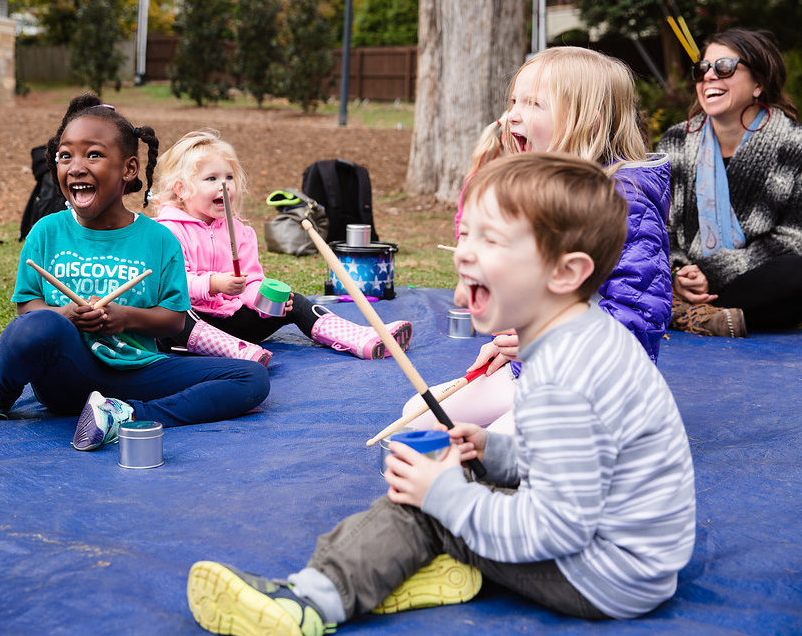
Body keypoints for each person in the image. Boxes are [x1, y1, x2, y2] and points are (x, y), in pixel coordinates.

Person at [184, 153, 697, 634]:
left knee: (421, 505)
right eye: (466, 234)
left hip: (604, 576)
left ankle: (308, 603)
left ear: (566, 273)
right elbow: (578, 459)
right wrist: (493, 450)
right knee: (456, 467)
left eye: (492, 241)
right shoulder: (574, 339)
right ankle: (415, 566)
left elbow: (555, 529)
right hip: (621, 549)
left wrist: (443, 497)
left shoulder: (568, 376)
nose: (465, 253)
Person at [0, 94, 270, 451]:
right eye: (65, 155)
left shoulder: (160, 240)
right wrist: (65, 316)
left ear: (129, 169)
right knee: (42, 324)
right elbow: (27, 308)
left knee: (251, 378)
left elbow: (174, 321)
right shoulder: (46, 231)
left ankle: (126, 415)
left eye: (94, 154)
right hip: (67, 376)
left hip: (137, 371)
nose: (76, 166)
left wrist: (125, 318)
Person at [406, 46, 672, 432]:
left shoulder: (623, 202)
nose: (512, 114)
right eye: (514, 100)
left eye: (533, 104)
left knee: (496, 450)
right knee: (419, 417)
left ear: (589, 122)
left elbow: (640, 317)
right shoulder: (545, 192)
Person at [152, 129, 412, 363]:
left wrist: (262, 302)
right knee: (177, 316)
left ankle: (360, 338)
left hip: (232, 322)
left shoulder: (241, 232)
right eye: (211, 178)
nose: (224, 185)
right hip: (188, 325)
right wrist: (214, 284)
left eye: (229, 177)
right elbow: (172, 286)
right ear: (182, 189)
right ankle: (237, 353)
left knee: (293, 301)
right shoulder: (167, 231)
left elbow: (252, 280)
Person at [656, 27, 802, 337]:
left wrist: (711, 273)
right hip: (687, 280)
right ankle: (695, 310)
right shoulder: (675, 143)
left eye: (724, 67)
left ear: (759, 83)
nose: (709, 76)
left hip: (757, 279)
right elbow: (661, 226)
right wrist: (681, 271)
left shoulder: (793, 145)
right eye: (702, 69)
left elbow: (793, 238)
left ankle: (687, 313)